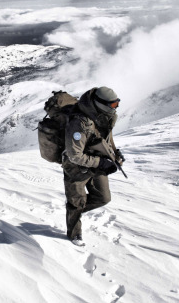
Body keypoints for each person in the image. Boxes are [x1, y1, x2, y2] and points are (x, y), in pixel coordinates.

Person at [61, 86, 124, 246]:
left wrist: (115, 154)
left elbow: (106, 137)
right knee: (77, 201)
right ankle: (74, 233)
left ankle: (73, 210)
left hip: (96, 161)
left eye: (116, 104)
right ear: (101, 104)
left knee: (103, 197)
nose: (115, 108)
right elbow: (75, 155)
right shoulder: (80, 123)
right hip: (75, 166)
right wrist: (101, 162)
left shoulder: (104, 115)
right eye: (113, 105)